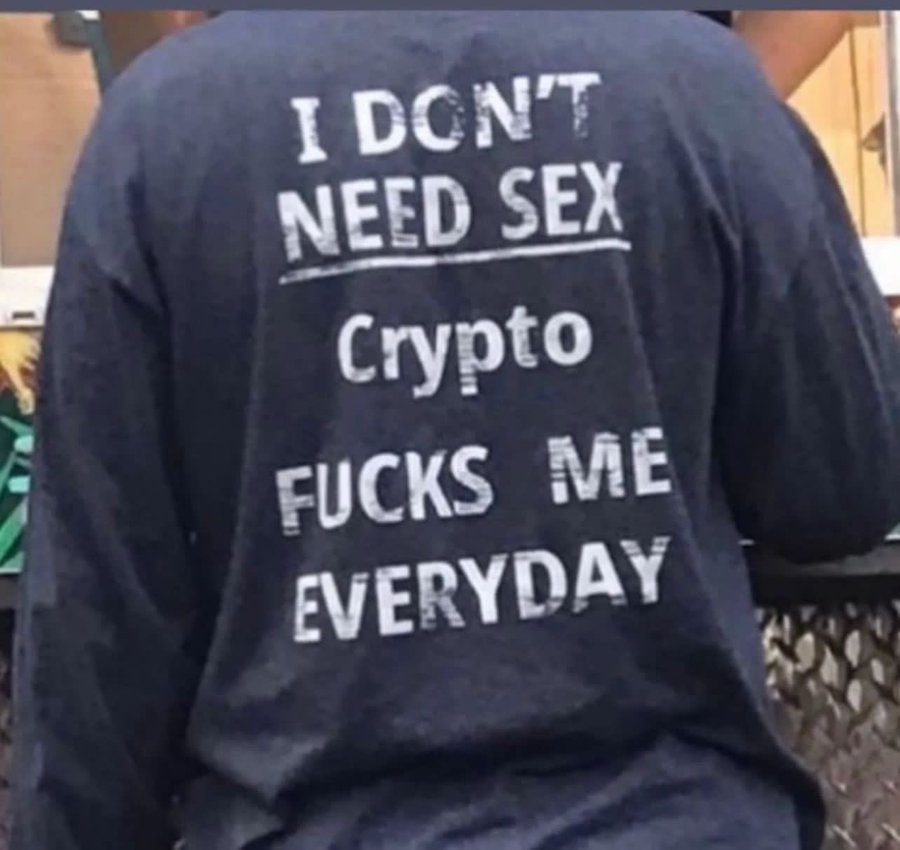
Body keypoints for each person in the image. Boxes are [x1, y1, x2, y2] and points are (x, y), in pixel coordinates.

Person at [11, 11, 900, 850]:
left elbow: (102, 619)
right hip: (673, 817)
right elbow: (843, 489)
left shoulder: (164, 129)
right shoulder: (700, 89)